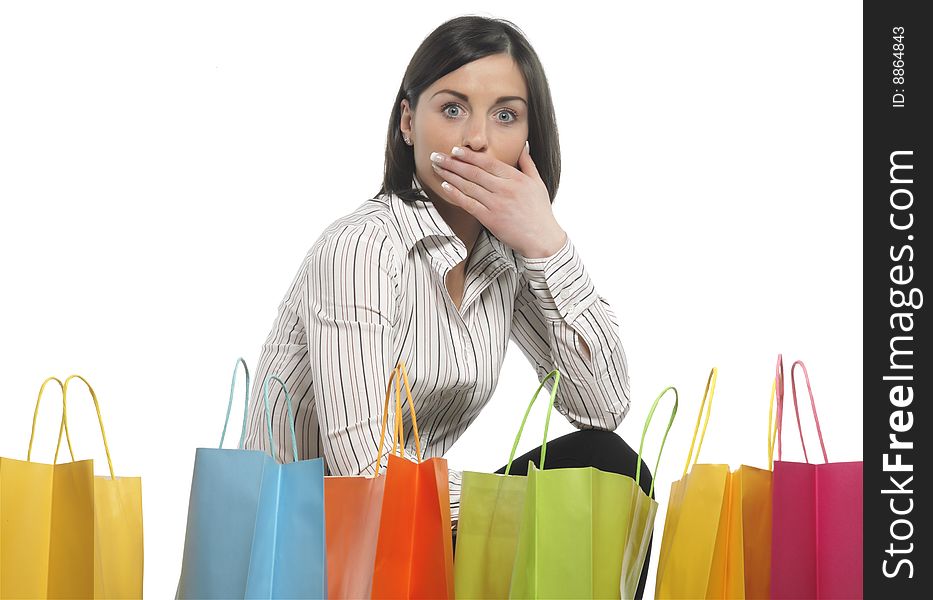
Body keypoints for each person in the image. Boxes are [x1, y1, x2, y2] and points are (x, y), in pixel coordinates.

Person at [242, 14, 652, 597]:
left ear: (530, 138)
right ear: (408, 122)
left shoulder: (505, 256)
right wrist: (506, 510)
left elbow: (603, 405)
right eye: (452, 108)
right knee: (578, 504)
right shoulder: (362, 250)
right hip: (322, 550)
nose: (478, 139)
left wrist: (548, 243)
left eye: (505, 114)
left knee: (612, 470)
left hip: (417, 534)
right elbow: (365, 475)